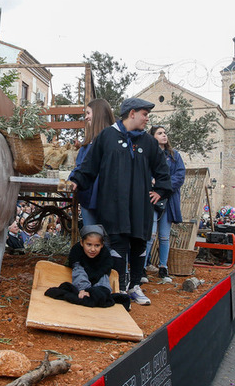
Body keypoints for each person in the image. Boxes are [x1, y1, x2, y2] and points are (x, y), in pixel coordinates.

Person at [69, 97, 172, 307]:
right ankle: (119, 287)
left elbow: (162, 171)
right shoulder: (107, 136)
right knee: (118, 243)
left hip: (140, 205)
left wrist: (160, 191)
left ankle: (134, 286)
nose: (147, 118)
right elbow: (90, 165)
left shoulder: (149, 142)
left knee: (139, 242)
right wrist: (77, 180)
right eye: (144, 114)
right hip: (113, 203)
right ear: (132, 113)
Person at [44, 225, 130, 309]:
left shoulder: (105, 254)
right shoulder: (76, 250)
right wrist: (83, 289)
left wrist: (97, 291)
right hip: (82, 275)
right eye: (89, 244)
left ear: (102, 245)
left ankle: (99, 294)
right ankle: (86, 292)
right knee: (78, 273)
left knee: (103, 281)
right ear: (82, 243)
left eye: (97, 245)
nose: (93, 249)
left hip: (98, 274)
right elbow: (77, 270)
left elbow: (104, 272)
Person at [145, 125, 184, 282]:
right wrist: (151, 183)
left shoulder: (175, 156)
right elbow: (144, 174)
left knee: (164, 236)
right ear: (153, 137)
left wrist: (162, 187)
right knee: (150, 235)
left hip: (169, 199)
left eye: (165, 133)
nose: (164, 135)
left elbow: (180, 176)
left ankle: (163, 268)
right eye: (159, 133)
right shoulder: (147, 156)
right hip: (151, 199)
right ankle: (142, 267)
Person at [70, 98, 114, 227]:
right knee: (90, 235)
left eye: (88, 113)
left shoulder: (113, 139)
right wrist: (71, 180)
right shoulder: (87, 142)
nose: (86, 117)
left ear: (98, 113)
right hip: (87, 197)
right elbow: (79, 166)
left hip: (106, 198)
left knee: (106, 240)